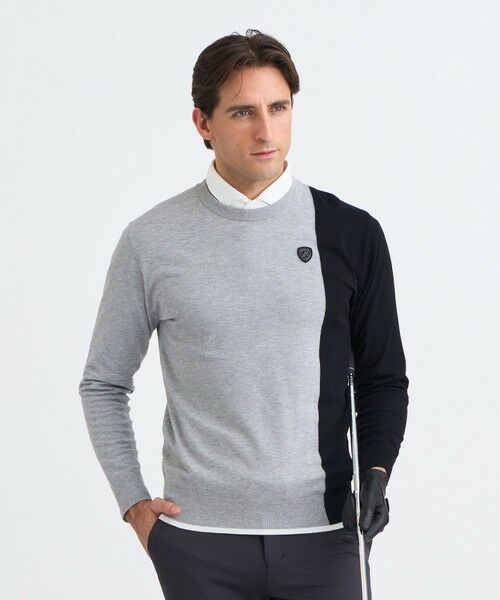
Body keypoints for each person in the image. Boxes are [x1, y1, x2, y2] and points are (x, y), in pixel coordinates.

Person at [78, 28, 409, 600]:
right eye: (242, 112)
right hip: (198, 543)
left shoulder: (350, 233)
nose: (266, 131)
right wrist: (134, 504)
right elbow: (103, 382)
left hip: (327, 535)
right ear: (202, 124)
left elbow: (382, 379)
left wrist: (377, 473)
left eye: (278, 108)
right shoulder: (152, 240)